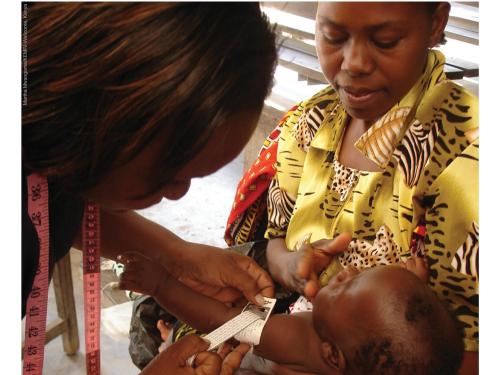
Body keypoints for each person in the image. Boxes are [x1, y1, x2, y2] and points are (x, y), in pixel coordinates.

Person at [22, 3, 277, 373]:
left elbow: (55, 202)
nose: (178, 195)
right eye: (169, 174)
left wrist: (176, 255)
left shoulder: (46, 135)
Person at [225, 2, 478, 374]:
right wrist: (290, 266)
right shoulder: (310, 121)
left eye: (386, 40)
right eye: (333, 36)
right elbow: (273, 242)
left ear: (436, 22)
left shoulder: (466, 151)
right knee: (191, 341)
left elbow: (470, 349)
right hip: (279, 316)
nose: (354, 63)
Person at [119, 251, 464, 375]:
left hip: (237, 353)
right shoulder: (363, 345)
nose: (346, 274)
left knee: (198, 342)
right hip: (261, 325)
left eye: (345, 287)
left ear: (331, 354)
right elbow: (408, 336)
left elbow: (222, 324)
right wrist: (411, 286)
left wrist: (162, 284)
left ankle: (169, 342)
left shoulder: (301, 341)